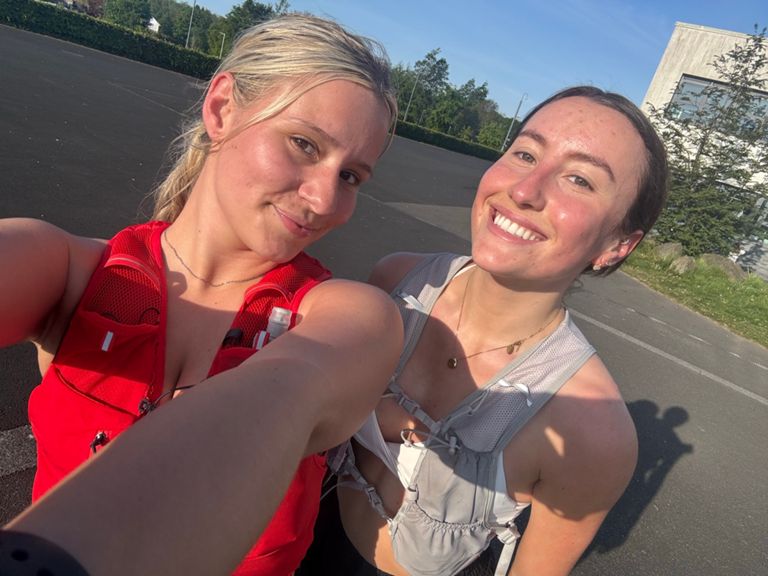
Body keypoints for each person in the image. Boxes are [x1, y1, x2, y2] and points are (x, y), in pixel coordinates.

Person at [0, 13, 403, 576]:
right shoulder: (70, 272)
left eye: (351, 177)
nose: (325, 200)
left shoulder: (350, 319)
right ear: (221, 109)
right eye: (304, 144)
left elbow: (287, 391)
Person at [297, 86, 668, 576]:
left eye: (579, 179)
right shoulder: (396, 283)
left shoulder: (594, 433)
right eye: (525, 153)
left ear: (617, 245)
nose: (524, 190)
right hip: (303, 540)